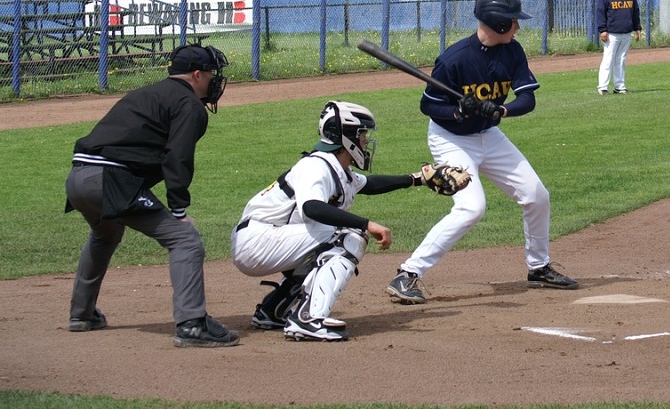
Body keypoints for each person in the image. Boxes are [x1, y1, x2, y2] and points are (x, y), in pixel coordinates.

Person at [386, 0, 578, 304]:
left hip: (489, 135)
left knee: (536, 195)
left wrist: (501, 110)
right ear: (499, 22)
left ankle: (539, 267)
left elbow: (527, 99)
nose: (518, 26)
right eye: (513, 21)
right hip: (451, 139)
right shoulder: (454, 59)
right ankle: (408, 273)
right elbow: (429, 106)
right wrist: (458, 111)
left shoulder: (513, 52)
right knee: (471, 207)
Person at [232, 100, 458, 341]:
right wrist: (366, 224)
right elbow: (311, 207)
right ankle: (308, 319)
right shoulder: (315, 166)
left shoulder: (337, 168)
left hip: (266, 239)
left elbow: (369, 184)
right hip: (258, 241)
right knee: (348, 237)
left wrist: (416, 179)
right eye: (362, 135)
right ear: (347, 136)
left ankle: (273, 310)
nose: (365, 141)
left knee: (327, 244)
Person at [64, 43, 238, 348]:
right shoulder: (189, 105)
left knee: (105, 235)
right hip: (109, 180)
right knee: (185, 239)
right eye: (211, 74)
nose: (215, 80)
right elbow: (177, 157)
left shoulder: (146, 93)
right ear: (197, 75)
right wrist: (179, 211)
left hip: (78, 178)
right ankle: (192, 324)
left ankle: (82, 314)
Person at [595, 0, 642, 95]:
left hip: (626, 32)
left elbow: (635, 11)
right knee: (608, 59)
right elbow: (600, 12)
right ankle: (603, 87)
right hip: (612, 33)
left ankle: (619, 86)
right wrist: (602, 30)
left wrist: (637, 28)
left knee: (621, 59)